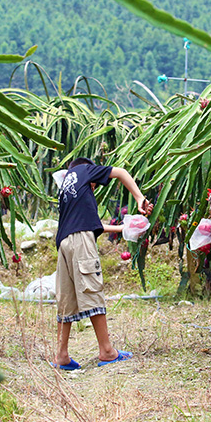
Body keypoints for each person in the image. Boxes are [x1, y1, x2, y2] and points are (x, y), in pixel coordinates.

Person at [53, 157, 153, 370]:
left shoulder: (66, 189)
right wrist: (139, 198)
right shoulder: (85, 171)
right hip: (80, 241)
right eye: (95, 186)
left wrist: (127, 229)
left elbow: (92, 225)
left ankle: (61, 355)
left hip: (64, 244)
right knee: (93, 289)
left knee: (66, 299)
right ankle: (107, 351)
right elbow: (121, 172)